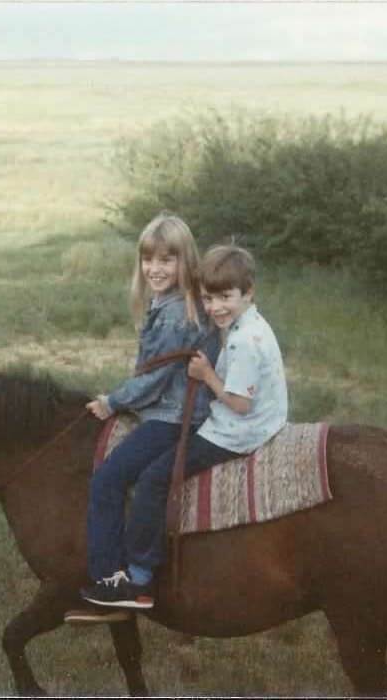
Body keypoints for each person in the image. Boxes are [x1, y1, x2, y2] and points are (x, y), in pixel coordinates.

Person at [81, 244, 288, 609]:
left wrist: (207, 375)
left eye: (225, 297)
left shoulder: (243, 342)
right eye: (208, 299)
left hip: (236, 430)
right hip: (259, 420)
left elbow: (239, 404)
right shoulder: (252, 323)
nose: (215, 308)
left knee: (153, 479)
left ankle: (140, 578)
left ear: (249, 292)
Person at [79, 212, 219, 612]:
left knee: (107, 481)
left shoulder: (176, 314)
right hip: (171, 409)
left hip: (173, 416)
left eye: (166, 260)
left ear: (185, 262)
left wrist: (112, 402)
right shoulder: (170, 302)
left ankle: (111, 578)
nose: (155, 269)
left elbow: (154, 381)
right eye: (149, 259)